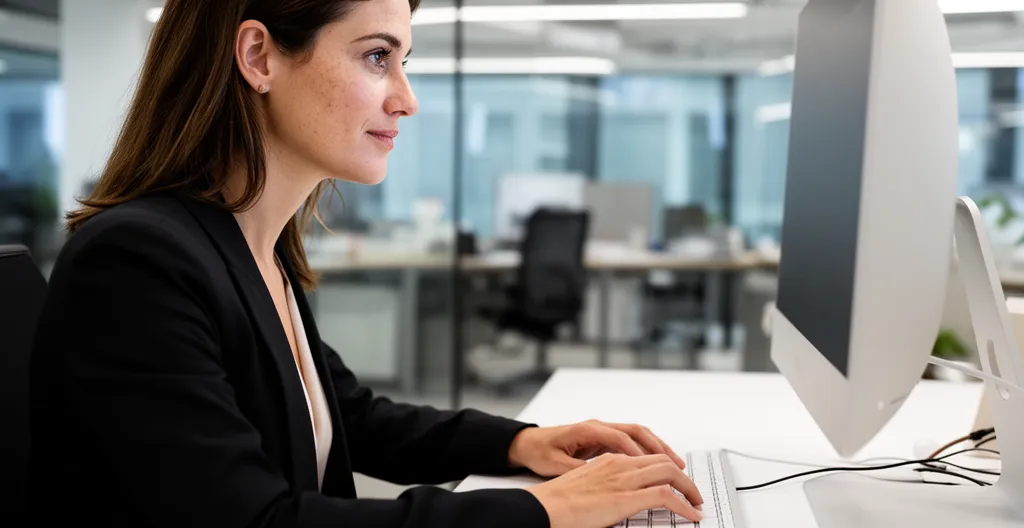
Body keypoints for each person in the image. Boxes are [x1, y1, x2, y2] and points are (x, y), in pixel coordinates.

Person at [26, 1, 703, 526]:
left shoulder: (252, 248)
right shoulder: (137, 264)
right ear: (259, 57)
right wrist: (542, 510)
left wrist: (522, 444)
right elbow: (256, 522)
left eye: (402, 60)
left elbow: (348, 417)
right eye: (378, 57)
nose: (406, 97)